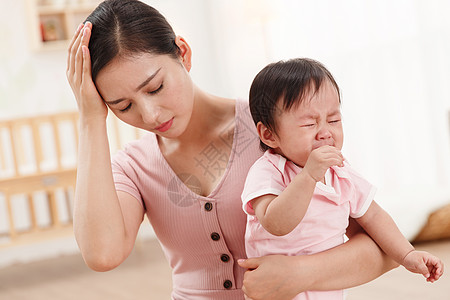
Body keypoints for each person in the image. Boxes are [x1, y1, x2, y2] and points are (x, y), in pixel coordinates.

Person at [66, 0, 398, 299]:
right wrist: (90, 120)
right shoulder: (132, 166)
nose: (150, 115)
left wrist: (299, 274)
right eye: (123, 106)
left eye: (156, 87)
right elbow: (102, 254)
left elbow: (383, 249)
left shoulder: (273, 132)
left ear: (183, 53)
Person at [242, 58, 444, 299]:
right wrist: (308, 176)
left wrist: (408, 255)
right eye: (309, 123)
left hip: (327, 288)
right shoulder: (269, 170)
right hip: (277, 289)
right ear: (269, 134)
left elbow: (374, 215)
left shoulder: (340, 172)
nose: (326, 132)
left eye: (334, 120)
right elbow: (275, 223)